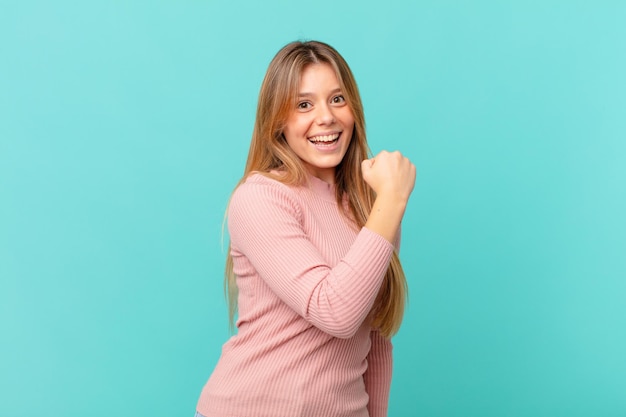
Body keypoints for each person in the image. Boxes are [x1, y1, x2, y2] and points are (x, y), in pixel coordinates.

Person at [195, 40, 416, 417]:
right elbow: (335, 313)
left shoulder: (369, 207)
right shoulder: (261, 198)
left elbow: (375, 336)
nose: (326, 117)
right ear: (277, 121)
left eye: (337, 99)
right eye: (303, 105)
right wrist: (393, 200)